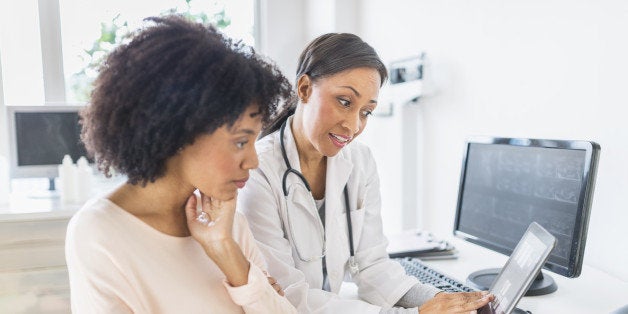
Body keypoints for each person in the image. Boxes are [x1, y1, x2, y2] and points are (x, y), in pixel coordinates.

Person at [237, 33, 494, 313]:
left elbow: (374, 268)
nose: (353, 126)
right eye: (345, 102)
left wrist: (444, 301)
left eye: (366, 112)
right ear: (304, 88)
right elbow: (288, 296)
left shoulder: (360, 162)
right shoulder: (257, 172)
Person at [65, 15, 296, 313]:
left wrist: (225, 250)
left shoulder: (226, 224)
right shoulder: (99, 233)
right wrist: (261, 292)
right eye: (240, 142)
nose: (252, 161)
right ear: (177, 131)